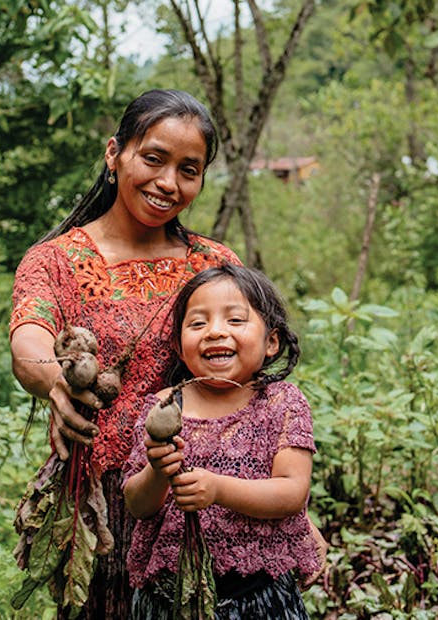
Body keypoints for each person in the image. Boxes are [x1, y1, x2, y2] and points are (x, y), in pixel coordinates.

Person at [9, 89, 241, 618]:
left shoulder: (213, 263)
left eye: (189, 169)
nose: (167, 182)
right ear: (115, 154)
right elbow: (30, 336)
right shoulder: (58, 260)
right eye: (153, 158)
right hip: (105, 502)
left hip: (201, 491)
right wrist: (54, 379)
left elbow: (254, 377)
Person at [122, 264, 325, 619]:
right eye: (198, 323)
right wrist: (157, 471)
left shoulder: (282, 403)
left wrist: (218, 489)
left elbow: (293, 492)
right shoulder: (164, 407)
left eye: (235, 320)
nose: (215, 332)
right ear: (179, 345)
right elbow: (137, 506)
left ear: (271, 342)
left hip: (259, 597)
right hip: (169, 602)